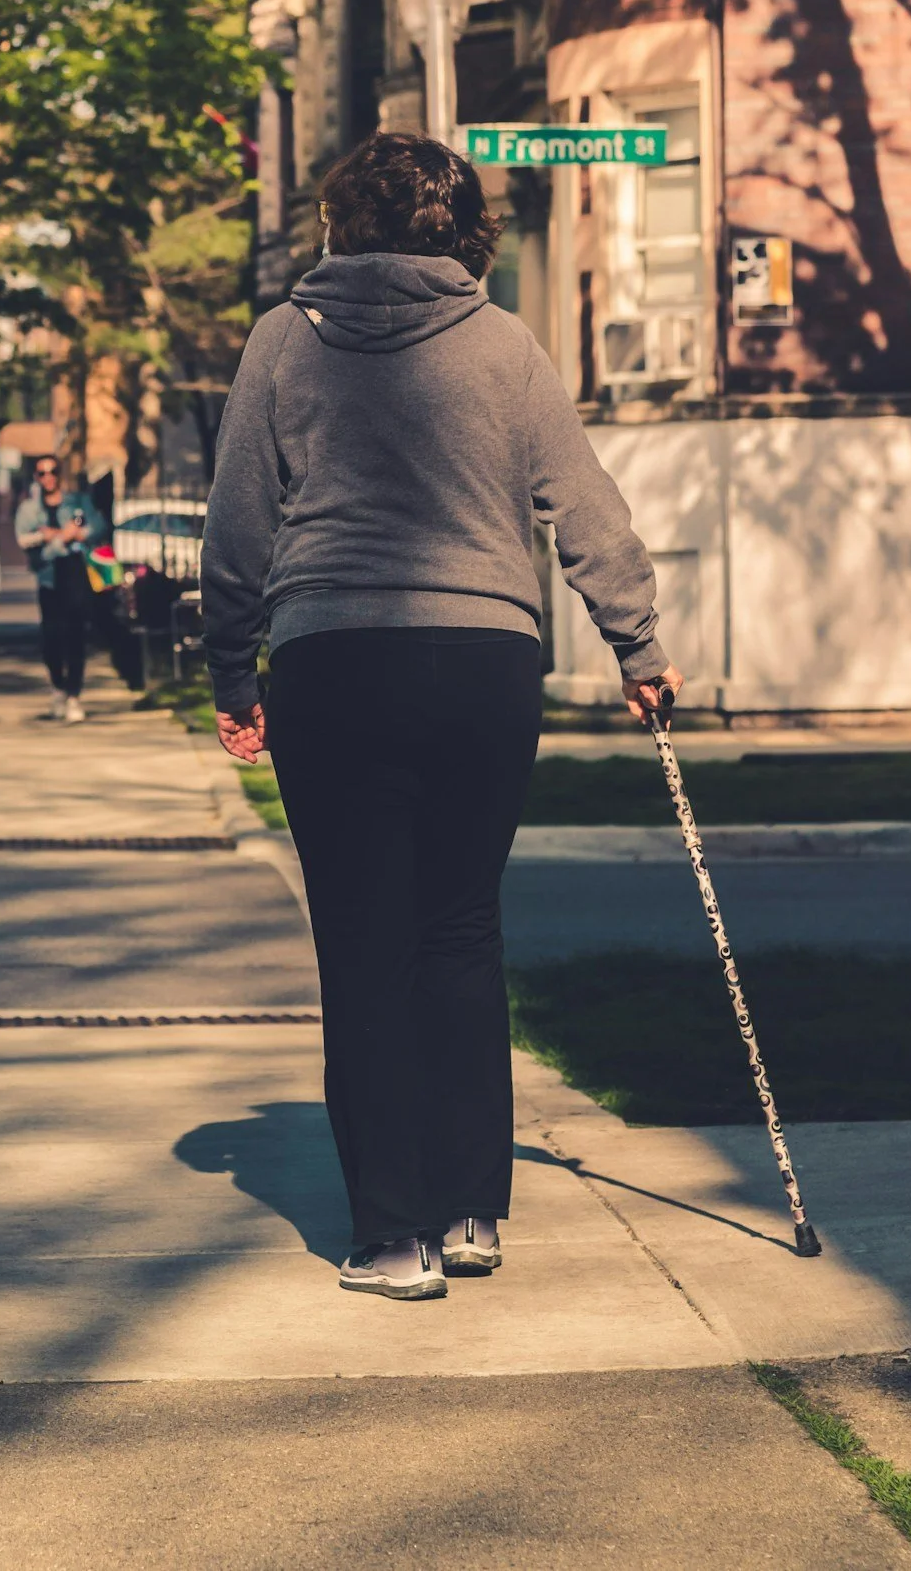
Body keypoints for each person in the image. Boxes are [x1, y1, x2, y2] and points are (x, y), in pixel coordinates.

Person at [201, 132, 682, 1302]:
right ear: (463, 232)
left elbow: (236, 529)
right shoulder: (505, 342)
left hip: (333, 658)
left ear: (337, 223)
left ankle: (392, 1236)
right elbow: (584, 504)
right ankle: (472, 1208)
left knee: (364, 941)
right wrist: (637, 644)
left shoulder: (281, 341)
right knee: (461, 929)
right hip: (482, 660)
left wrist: (231, 673)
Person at [11, 454, 109, 721]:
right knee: (51, 638)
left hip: (76, 576)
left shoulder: (77, 501)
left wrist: (77, 534)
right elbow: (24, 541)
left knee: (76, 636)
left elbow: (99, 525)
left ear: (59, 474)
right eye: (42, 473)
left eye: (52, 471)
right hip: (48, 578)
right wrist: (55, 538)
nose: (48, 477)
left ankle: (74, 695)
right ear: (36, 478)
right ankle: (57, 688)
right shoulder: (29, 509)